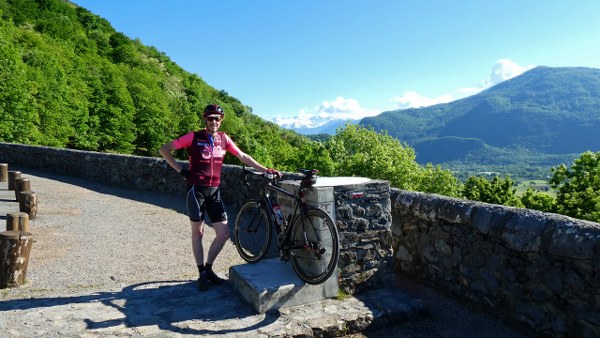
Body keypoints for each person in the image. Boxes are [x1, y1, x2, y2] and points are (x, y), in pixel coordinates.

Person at [159, 104, 279, 291]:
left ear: (221, 120)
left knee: (223, 234)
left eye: (217, 118)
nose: (213, 121)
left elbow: (242, 156)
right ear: (205, 120)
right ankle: (201, 274)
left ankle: (208, 269)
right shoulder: (194, 137)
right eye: (210, 118)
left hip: (214, 191)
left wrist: (265, 169)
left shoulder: (224, 138)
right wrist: (181, 170)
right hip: (196, 190)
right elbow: (164, 149)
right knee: (198, 232)